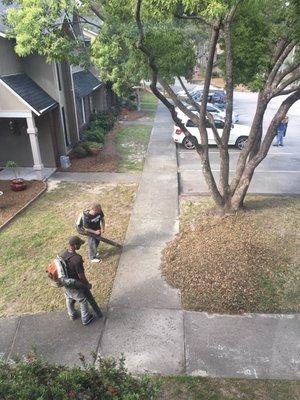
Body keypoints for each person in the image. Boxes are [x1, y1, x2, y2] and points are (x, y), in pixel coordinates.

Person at [61, 236, 99, 325]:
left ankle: (72, 314)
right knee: (82, 299)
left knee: (69, 296)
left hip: (65, 281)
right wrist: (87, 284)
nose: (80, 246)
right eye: (79, 244)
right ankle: (86, 319)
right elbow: (81, 276)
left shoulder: (63, 254)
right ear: (74, 245)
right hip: (75, 283)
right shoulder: (77, 259)